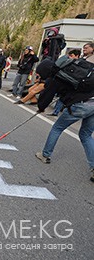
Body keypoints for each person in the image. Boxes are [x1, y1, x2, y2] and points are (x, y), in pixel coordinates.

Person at [35, 48, 94, 182]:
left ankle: (45, 155)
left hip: (81, 104)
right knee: (85, 134)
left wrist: (41, 108)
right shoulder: (78, 66)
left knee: (57, 128)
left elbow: (47, 95)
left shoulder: (57, 75)